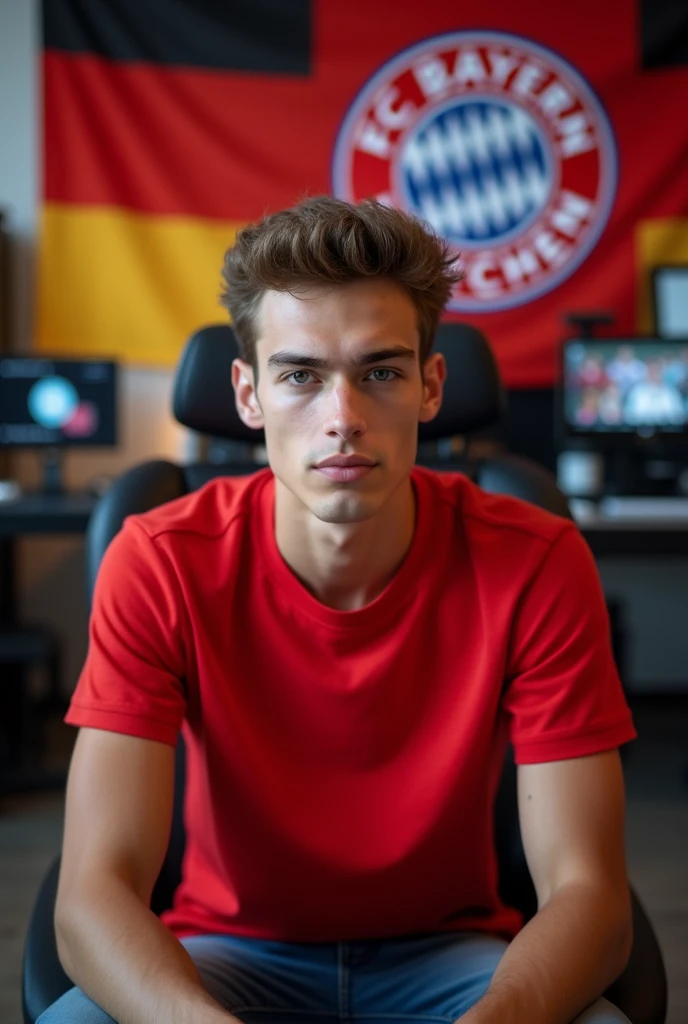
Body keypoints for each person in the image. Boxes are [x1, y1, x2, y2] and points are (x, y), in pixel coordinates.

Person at [40, 197, 637, 1024]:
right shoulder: (160, 560)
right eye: (300, 376)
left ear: (430, 385)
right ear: (248, 394)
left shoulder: (536, 560)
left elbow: (590, 894)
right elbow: (90, 896)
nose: (343, 419)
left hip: (454, 959)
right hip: (226, 959)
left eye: (381, 372)